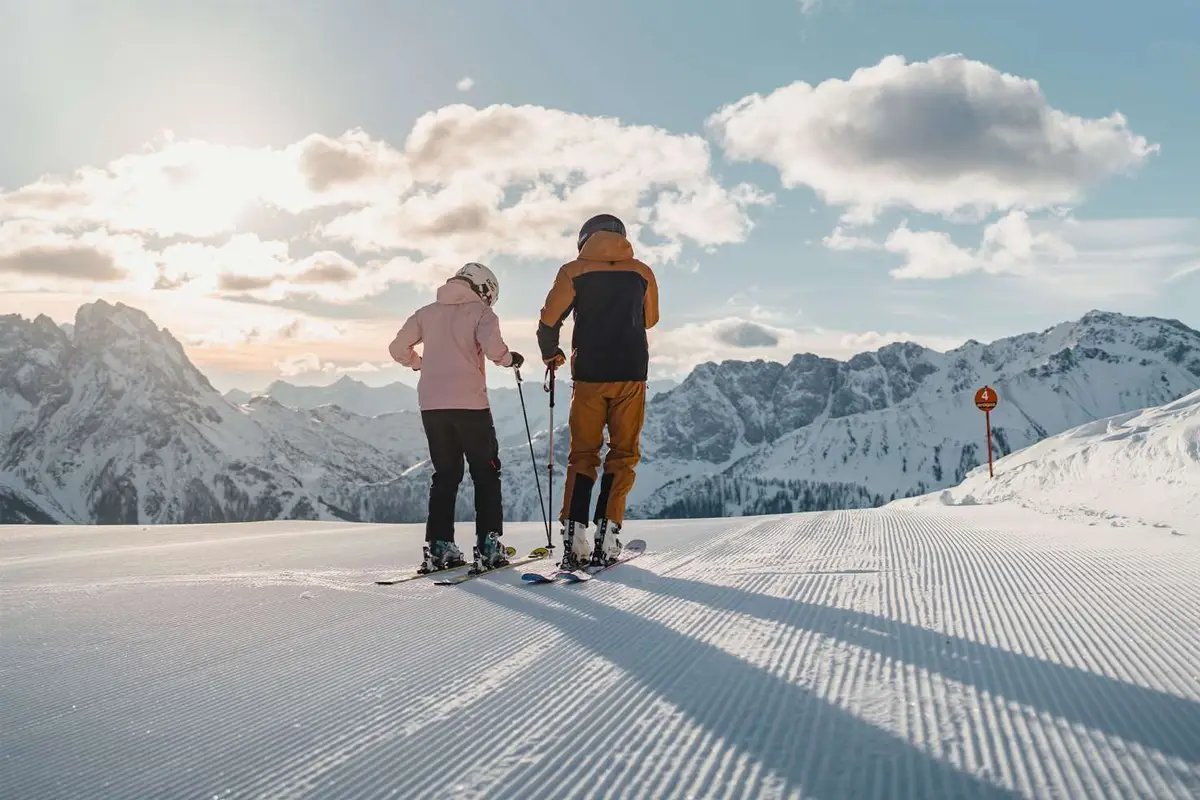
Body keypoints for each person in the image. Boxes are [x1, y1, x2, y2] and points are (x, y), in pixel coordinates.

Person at [536, 214, 659, 570]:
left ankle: (574, 538)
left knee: (583, 454)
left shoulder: (572, 271)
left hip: (588, 374)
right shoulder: (642, 272)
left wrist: (552, 354)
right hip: (631, 373)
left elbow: (548, 320)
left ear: (584, 239)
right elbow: (650, 319)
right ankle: (609, 534)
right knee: (622, 455)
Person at [389, 262, 524, 573]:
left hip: (432, 406)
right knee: (486, 473)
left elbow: (397, 348)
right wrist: (510, 359)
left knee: (446, 475)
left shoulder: (425, 312)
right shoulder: (481, 313)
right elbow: (495, 351)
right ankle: (489, 546)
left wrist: (419, 363)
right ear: (483, 289)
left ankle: (439, 547)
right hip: (470, 406)